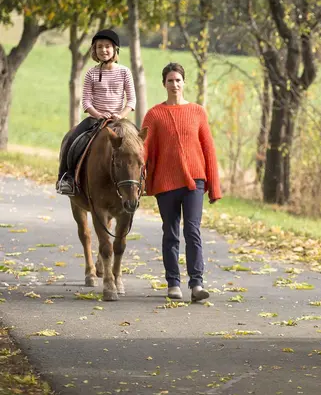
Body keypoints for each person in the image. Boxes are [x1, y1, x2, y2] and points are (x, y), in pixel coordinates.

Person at [142, 62, 222, 302]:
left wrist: (214, 187)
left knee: (193, 230)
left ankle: (197, 284)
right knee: (170, 232)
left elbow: (208, 149)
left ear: (184, 83)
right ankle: (173, 284)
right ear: (163, 84)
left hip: (194, 182)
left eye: (178, 80)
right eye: (170, 80)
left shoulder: (198, 112)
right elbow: (143, 151)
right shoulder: (154, 114)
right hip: (166, 183)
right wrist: (138, 183)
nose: (174, 84)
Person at [56, 29, 136, 195]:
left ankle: (142, 178)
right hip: (95, 119)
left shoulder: (124, 72)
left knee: (138, 144)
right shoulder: (91, 73)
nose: (103, 50)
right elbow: (86, 101)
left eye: (107, 46)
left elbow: (131, 100)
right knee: (72, 139)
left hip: (118, 119)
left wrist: (121, 115)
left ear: (115, 49)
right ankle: (66, 178)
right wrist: (98, 114)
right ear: (95, 50)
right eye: (99, 47)